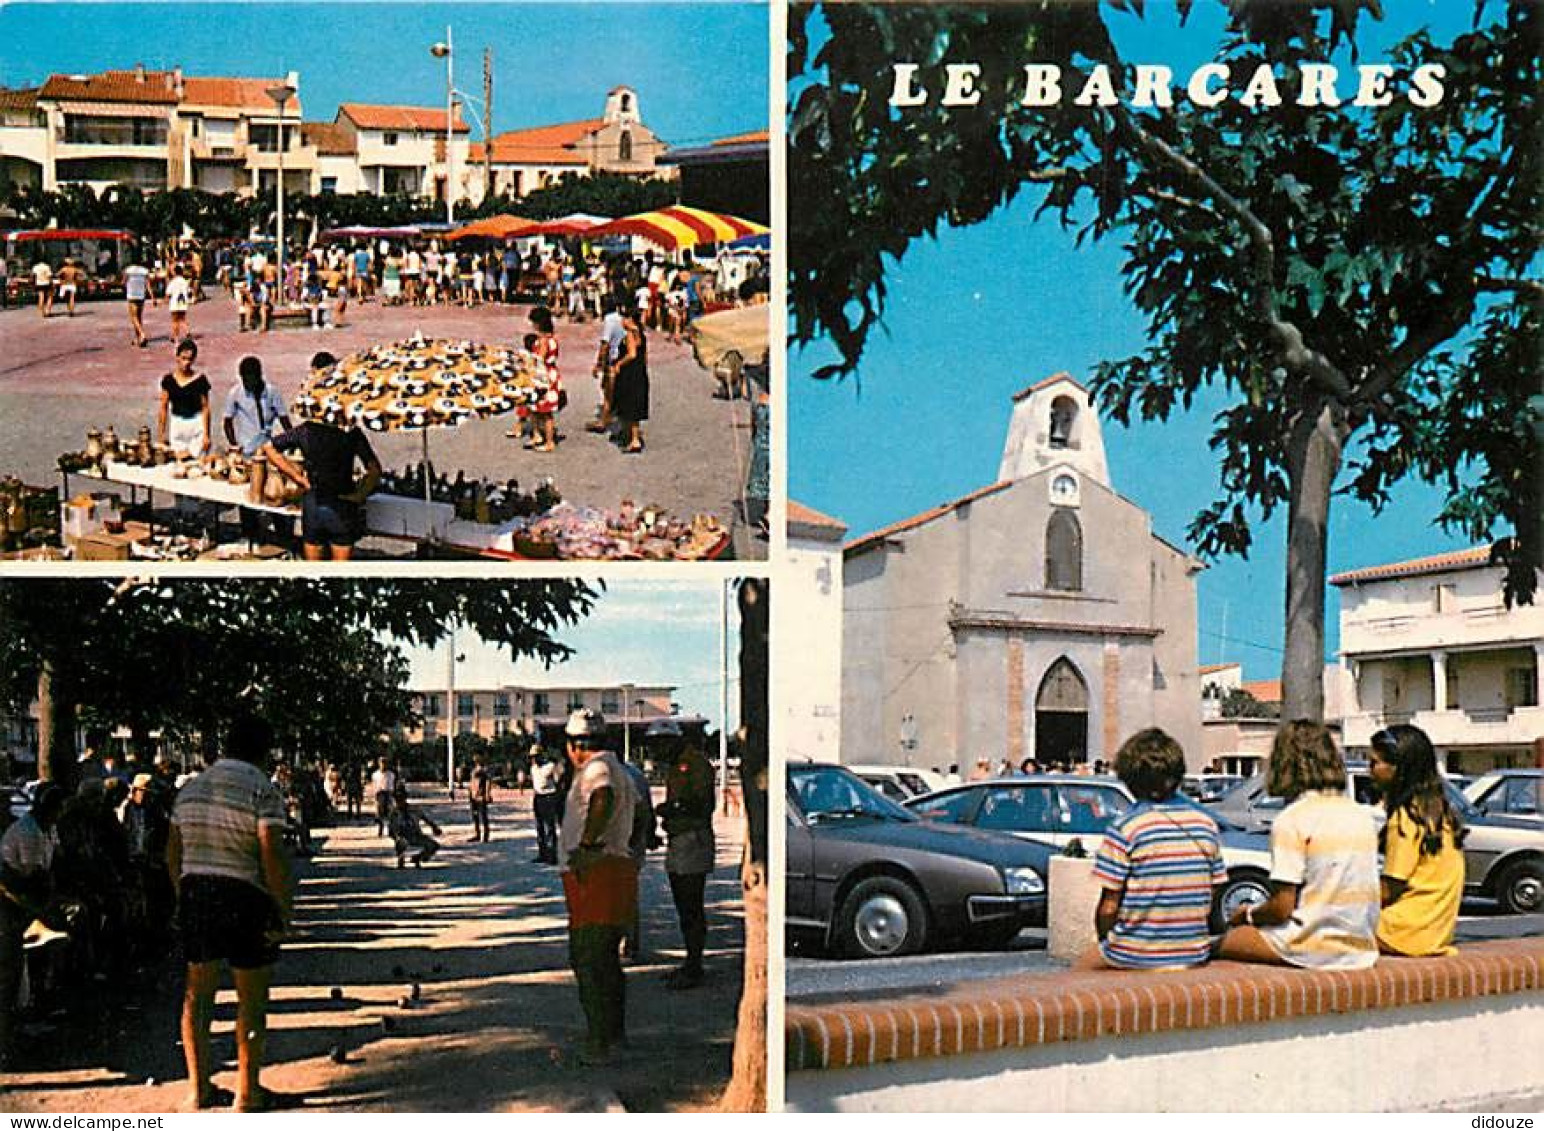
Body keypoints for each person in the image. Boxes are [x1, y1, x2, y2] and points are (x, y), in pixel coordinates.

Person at [167, 714, 293, 1112]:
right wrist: (281, 909)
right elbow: (271, 853)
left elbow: (171, 851)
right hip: (244, 895)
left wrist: (182, 895)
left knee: (197, 995)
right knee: (250, 1000)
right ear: (262, 750)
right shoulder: (264, 790)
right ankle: (247, 1093)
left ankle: (198, 1088)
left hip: (197, 892)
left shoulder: (190, 790)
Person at [1216, 721, 1380, 969]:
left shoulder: (1292, 819)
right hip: (1362, 948)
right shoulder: (1361, 816)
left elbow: (1282, 908)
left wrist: (1248, 914)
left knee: (1224, 943)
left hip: (1310, 948)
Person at [1079, 729, 1227, 970]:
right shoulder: (1205, 825)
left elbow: (1108, 907)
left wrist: (1105, 939)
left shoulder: (1126, 828)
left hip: (1134, 953)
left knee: (1078, 974)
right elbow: (1214, 889)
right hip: (1194, 952)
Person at [560, 710, 637, 1064]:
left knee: (588, 959)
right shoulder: (621, 769)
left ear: (575, 746)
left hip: (598, 872)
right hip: (615, 869)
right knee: (605, 961)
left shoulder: (596, 770)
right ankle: (614, 1036)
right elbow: (642, 816)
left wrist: (588, 846)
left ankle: (598, 1043)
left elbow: (602, 798)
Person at [262, 353, 382, 561]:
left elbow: (268, 448)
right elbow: (374, 470)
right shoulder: (350, 432)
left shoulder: (306, 431)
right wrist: (359, 495)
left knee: (314, 575)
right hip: (342, 503)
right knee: (339, 574)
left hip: (313, 504)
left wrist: (297, 478)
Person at [1369, 724, 1466, 957]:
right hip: (1434, 934)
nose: (1368, 770)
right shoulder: (1439, 813)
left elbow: (1390, 888)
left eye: (1374, 763)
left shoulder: (1406, 818)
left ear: (1399, 768)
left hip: (1400, 932)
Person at [0, 783, 66, 1071]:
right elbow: (30, 878)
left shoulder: (46, 829)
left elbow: (49, 871)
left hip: (26, 897)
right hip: (16, 900)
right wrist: (43, 911)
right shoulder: (25, 832)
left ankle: (37, 1004)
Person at [659, 730, 716, 988]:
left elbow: (702, 803)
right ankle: (690, 962)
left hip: (692, 838)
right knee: (683, 905)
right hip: (678, 838)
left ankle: (695, 965)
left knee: (691, 904)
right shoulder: (675, 766)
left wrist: (673, 808)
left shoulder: (695, 764)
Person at [223, 356, 293, 545]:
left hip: (270, 452)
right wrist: (234, 445)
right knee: (249, 499)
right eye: (245, 379)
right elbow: (227, 421)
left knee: (275, 494)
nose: (249, 383)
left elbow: (284, 419)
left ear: (259, 375)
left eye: (252, 379)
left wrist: (293, 442)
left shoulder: (272, 392)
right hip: (248, 453)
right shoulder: (235, 393)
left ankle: (283, 538)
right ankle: (250, 535)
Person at [159, 338, 212, 458]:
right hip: (177, 423)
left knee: (197, 461)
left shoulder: (200, 380)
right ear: (177, 357)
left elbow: (205, 407)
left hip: (196, 424)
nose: (186, 362)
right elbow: (163, 407)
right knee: (178, 460)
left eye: (190, 359)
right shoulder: (168, 381)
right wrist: (161, 435)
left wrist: (206, 434)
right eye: (183, 358)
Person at [613, 307, 650, 454]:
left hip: (629, 373)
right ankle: (630, 435)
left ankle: (633, 439)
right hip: (640, 372)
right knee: (635, 405)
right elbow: (644, 356)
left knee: (628, 403)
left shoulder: (629, 334)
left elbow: (632, 354)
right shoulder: (641, 334)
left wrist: (618, 364)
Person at [527, 306, 563, 453]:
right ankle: (538, 435)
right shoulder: (553, 338)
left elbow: (539, 358)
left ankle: (548, 441)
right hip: (552, 373)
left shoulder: (542, 341)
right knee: (537, 407)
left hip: (543, 375)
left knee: (545, 410)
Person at [387, 784, 442, 869]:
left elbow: (426, 819)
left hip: (416, 835)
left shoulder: (414, 810)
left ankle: (417, 858)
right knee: (401, 842)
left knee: (433, 846)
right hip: (402, 836)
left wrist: (434, 827)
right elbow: (391, 830)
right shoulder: (393, 814)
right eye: (397, 799)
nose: (399, 801)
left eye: (401, 798)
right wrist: (396, 837)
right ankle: (401, 859)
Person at [531, 746, 563, 864]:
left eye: (535, 756)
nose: (533, 759)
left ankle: (552, 855)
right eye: (532, 757)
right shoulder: (533, 768)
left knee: (550, 827)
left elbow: (558, 780)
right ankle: (542, 853)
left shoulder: (550, 766)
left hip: (549, 797)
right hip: (538, 797)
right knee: (539, 827)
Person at [124, 257, 152, 347]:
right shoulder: (145, 270)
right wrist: (152, 297)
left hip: (132, 295)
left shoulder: (128, 270)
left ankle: (142, 334)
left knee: (134, 317)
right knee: (139, 317)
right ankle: (138, 337)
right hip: (141, 295)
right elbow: (148, 284)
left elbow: (124, 281)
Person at [369, 757, 397, 837]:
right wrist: (374, 795)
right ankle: (380, 830)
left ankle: (390, 830)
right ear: (379, 764)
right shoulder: (375, 774)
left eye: (385, 763)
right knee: (379, 814)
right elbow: (373, 785)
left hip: (388, 793)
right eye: (382, 763)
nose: (383, 765)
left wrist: (393, 795)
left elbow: (393, 785)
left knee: (390, 814)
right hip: (379, 794)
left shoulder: (391, 774)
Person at [468, 757, 493, 843]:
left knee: (483, 816)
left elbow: (488, 782)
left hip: (481, 796)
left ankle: (486, 835)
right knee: (475, 816)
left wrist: (487, 794)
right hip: (473, 796)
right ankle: (477, 834)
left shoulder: (484, 771)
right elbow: (472, 782)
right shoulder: (474, 770)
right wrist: (470, 794)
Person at [166, 264, 192, 342]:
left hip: (174, 302)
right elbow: (189, 292)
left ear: (175, 272)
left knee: (175, 321)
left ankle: (175, 336)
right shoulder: (185, 281)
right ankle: (187, 331)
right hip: (183, 302)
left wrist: (165, 300)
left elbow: (168, 293)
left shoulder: (173, 282)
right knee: (183, 319)